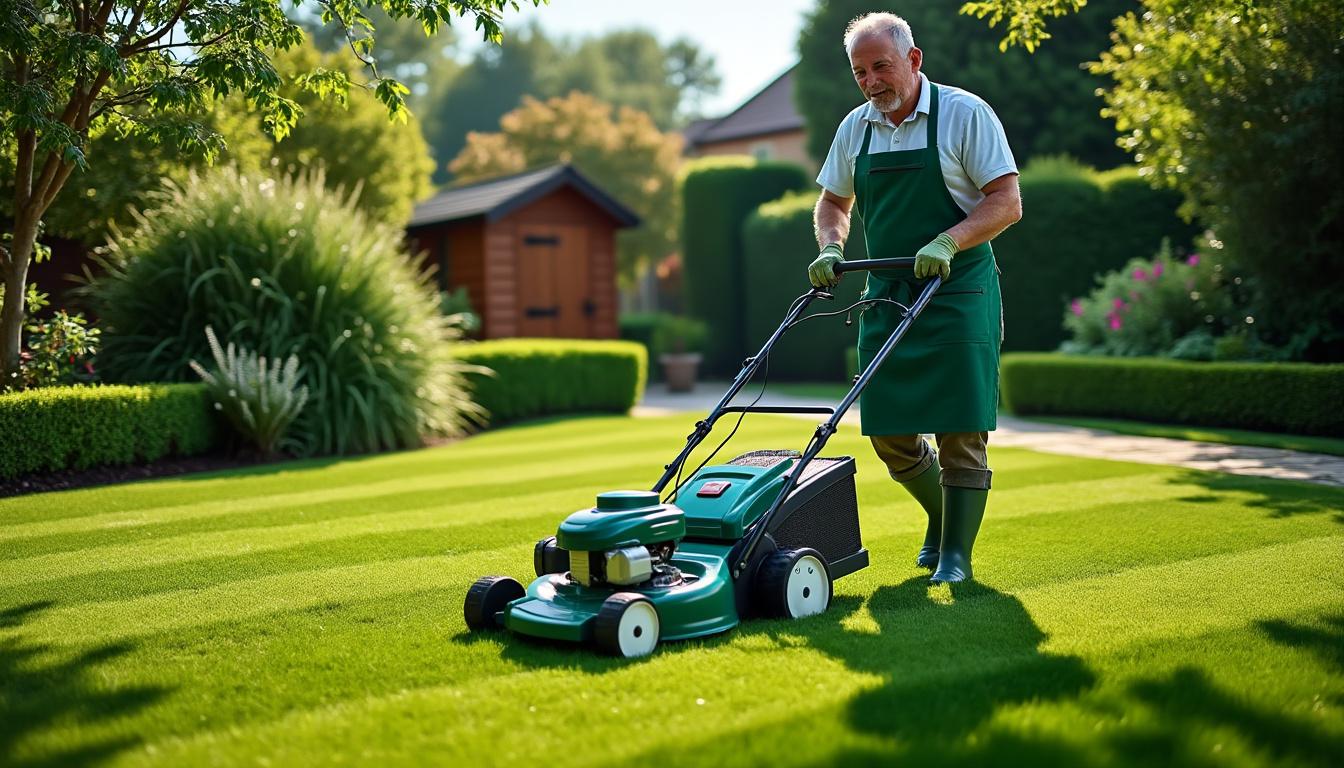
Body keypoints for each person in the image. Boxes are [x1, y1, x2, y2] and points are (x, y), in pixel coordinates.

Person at [809, 12, 1022, 584]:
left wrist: (949, 239)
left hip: (959, 290)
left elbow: (1006, 201)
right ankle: (940, 516)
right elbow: (834, 203)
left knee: (960, 427)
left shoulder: (964, 113)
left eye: (881, 66)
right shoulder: (855, 128)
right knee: (888, 429)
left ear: (914, 60)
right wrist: (831, 247)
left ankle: (955, 556)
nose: (872, 81)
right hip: (886, 293)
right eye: (860, 72)